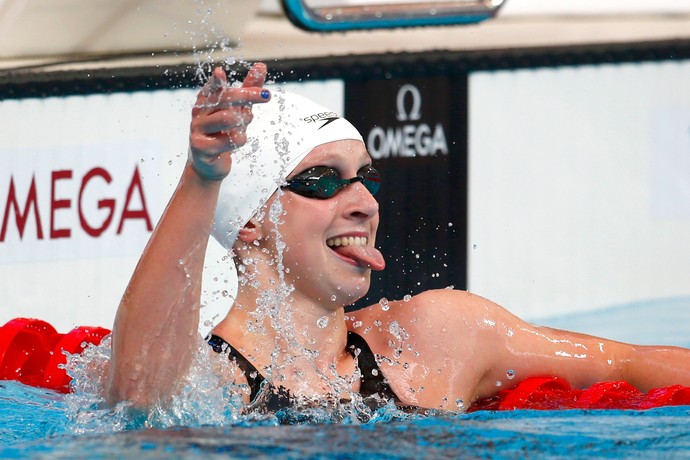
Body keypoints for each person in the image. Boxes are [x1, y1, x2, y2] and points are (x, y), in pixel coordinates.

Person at [106, 62, 690, 414]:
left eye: (367, 177)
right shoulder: (211, 383)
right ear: (251, 220)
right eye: (322, 181)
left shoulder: (439, 339)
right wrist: (202, 179)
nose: (363, 202)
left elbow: (629, 363)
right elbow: (136, 393)